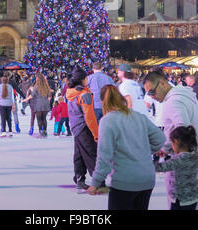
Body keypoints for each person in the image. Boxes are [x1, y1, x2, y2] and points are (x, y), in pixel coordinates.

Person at [143, 70, 198, 210]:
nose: (152, 97)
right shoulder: (184, 94)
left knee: (185, 201)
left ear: (162, 83)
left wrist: (168, 149)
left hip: (189, 160)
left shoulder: (173, 102)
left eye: (152, 92)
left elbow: (183, 131)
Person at [88, 85, 166, 210]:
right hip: (146, 178)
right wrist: (143, 150)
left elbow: (104, 157)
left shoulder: (107, 121)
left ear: (103, 101)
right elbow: (160, 139)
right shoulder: (139, 117)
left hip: (124, 181)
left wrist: (96, 182)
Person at [66, 65, 100, 193]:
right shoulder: (84, 94)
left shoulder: (71, 92)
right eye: (86, 78)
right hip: (84, 127)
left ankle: (79, 178)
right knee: (92, 153)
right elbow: (90, 117)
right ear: (82, 79)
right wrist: (96, 134)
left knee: (79, 154)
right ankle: (98, 182)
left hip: (75, 126)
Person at [154, 126, 198, 210]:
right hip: (192, 198)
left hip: (180, 200)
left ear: (176, 141)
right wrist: (167, 152)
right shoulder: (194, 153)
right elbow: (181, 153)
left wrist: (150, 161)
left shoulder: (179, 160)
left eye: (172, 143)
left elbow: (161, 167)